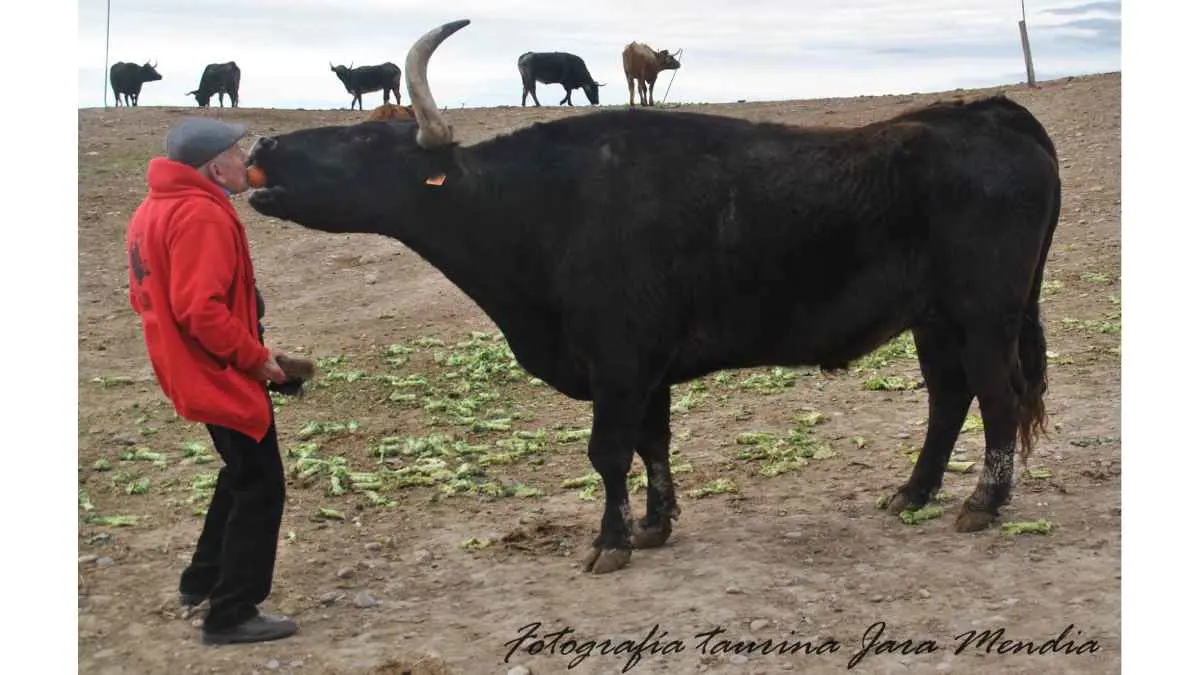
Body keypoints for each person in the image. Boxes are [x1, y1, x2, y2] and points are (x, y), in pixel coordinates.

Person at [125, 116, 300, 645]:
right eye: (236, 150)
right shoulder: (201, 215)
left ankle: (199, 580)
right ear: (212, 164)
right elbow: (201, 312)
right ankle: (231, 613)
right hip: (218, 373)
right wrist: (257, 358)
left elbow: (148, 297)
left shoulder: (153, 207)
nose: (244, 158)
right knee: (261, 486)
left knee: (240, 471)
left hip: (185, 365)